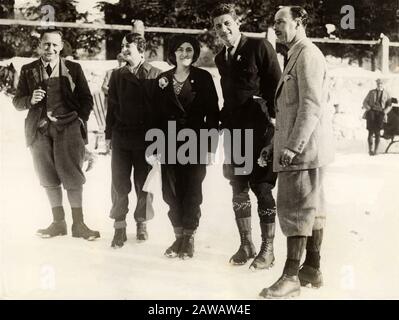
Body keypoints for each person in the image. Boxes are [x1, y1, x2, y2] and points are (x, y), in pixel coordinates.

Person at [259, 6, 334, 299]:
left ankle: (290, 277)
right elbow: (291, 110)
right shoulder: (296, 54)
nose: (276, 27)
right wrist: (274, 144)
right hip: (306, 147)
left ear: (299, 23)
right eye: (274, 22)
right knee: (312, 208)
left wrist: (291, 147)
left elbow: (311, 106)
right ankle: (311, 268)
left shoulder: (308, 55)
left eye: (282, 22)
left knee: (295, 209)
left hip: (303, 150)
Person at [12, 29, 100, 240]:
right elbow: (17, 102)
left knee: (72, 176)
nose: (49, 48)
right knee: (47, 176)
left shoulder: (74, 68)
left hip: (68, 129)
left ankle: (78, 225)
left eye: (54, 45)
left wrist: (79, 121)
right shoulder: (27, 70)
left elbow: (87, 100)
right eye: (46, 44)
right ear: (39, 45)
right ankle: (58, 223)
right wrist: (30, 100)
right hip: (39, 131)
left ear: (61, 46)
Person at [212, 3, 281, 269]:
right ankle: (246, 243)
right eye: (218, 25)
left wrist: (275, 125)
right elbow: (231, 97)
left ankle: (268, 249)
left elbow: (277, 87)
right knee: (238, 187)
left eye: (227, 22)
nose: (223, 29)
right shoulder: (221, 58)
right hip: (234, 132)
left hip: (261, 130)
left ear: (238, 22)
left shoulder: (260, 47)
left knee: (262, 187)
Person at [154, 35, 220, 259]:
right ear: (173, 52)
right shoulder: (162, 79)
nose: (185, 54)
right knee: (170, 192)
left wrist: (211, 147)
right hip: (168, 142)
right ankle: (178, 236)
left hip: (196, 142)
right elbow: (155, 116)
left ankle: (189, 237)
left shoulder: (204, 78)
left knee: (192, 190)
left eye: (189, 49)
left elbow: (212, 114)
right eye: (180, 49)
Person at [105, 33, 162, 248]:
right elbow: (112, 108)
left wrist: (159, 142)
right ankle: (119, 226)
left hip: (146, 139)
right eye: (122, 46)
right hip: (121, 137)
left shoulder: (156, 74)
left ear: (141, 49)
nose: (124, 50)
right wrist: (109, 135)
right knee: (119, 183)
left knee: (144, 183)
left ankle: (141, 223)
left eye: (128, 46)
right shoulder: (117, 75)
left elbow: (161, 112)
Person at [362, 78, 392, 155]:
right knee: (370, 132)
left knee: (377, 132)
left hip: (380, 113)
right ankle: (370, 150)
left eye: (381, 84)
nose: (379, 85)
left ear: (383, 85)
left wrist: (384, 112)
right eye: (378, 84)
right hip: (371, 113)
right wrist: (369, 108)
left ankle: (376, 150)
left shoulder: (387, 93)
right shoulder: (371, 92)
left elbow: (389, 105)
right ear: (376, 84)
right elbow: (365, 102)